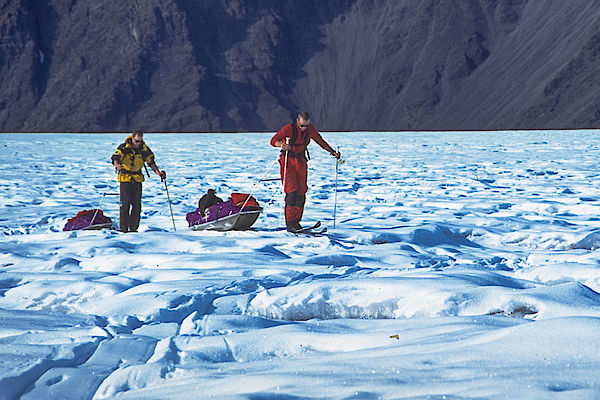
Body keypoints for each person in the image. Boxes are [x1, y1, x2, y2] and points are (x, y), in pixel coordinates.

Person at [270, 112, 340, 232]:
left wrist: (332, 152)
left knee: (301, 192)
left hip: (301, 162)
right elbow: (273, 141)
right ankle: (290, 222)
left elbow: (320, 141)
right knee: (291, 191)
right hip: (288, 162)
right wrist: (281, 145)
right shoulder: (289, 129)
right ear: (298, 121)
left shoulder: (310, 130)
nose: (304, 128)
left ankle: (297, 221)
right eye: (302, 126)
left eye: (306, 126)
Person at [111, 130, 166, 232]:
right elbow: (115, 158)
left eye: (140, 141)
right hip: (125, 178)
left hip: (137, 179)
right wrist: (117, 165)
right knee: (125, 204)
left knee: (137, 205)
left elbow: (151, 162)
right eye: (137, 141)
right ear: (132, 138)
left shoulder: (144, 149)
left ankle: (133, 228)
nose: (139, 143)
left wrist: (159, 173)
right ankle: (123, 228)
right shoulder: (124, 148)